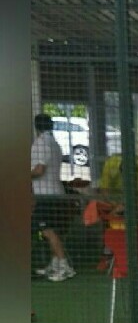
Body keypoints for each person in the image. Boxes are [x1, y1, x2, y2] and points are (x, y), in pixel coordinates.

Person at [31, 114, 76, 282]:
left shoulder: (41, 143)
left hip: (46, 195)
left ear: (36, 126)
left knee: (47, 231)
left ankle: (65, 267)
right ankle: (55, 263)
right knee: (52, 231)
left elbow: (39, 170)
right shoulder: (54, 143)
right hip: (56, 192)